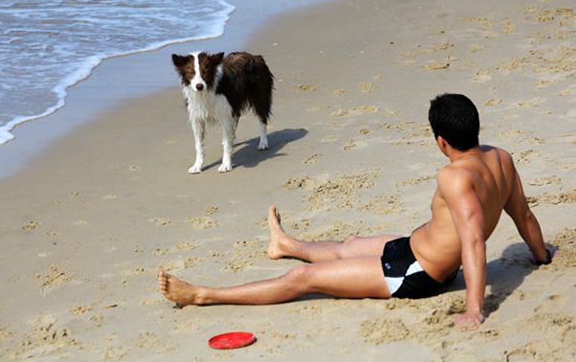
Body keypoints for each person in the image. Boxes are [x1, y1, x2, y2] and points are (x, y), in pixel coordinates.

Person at [158, 93, 557, 331]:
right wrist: (541, 255)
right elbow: (523, 216)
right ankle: (285, 243)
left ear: (441, 141)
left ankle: (203, 295)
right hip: (413, 248)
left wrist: (474, 309)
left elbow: (473, 240)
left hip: (416, 275)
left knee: (305, 278)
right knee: (350, 246)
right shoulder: (500, 158)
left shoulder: (454, 176)